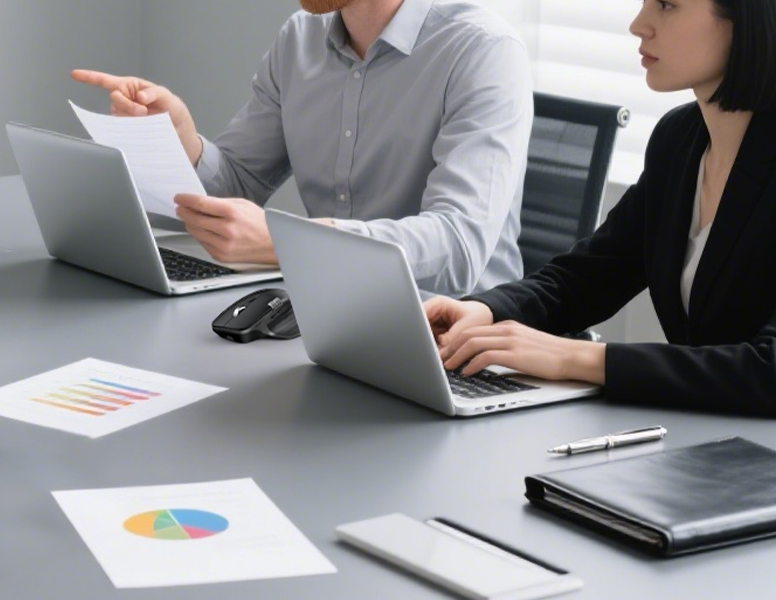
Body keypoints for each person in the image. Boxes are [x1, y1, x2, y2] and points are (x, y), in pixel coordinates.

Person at [431, 0, 776, 415]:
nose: (638, 25)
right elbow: (588, 276)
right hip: (705, 445)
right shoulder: (678, 141)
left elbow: (768, 369)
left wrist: (576, 358)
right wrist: (484, 311)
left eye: (666, 5)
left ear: (747, 20)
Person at [72, 0, 533, 298]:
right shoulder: (300, 40)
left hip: (460, 337)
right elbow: (236, 184)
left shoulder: (484, 52)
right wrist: (182, 144)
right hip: (325, 312)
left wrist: (287, 242)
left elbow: (458, 251)